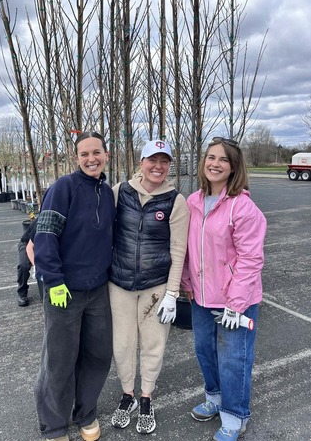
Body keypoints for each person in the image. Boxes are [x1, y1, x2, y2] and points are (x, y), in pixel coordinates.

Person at [181, 137, 267, 441]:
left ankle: (235, 415)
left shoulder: (242, 207)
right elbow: (189, 249)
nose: (215, 163)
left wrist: (236, 302)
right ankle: (215, 399)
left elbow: (251, 258)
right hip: (201, 297)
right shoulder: (193, 201)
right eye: (210, 157)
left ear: (233, 168)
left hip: (234, 302)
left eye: (223, 160)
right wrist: (187, 281)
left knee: (234, 359)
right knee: (205, 350)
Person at [34, 132, 115, 441]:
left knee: (97, 354)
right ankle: (54, 424)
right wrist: (53, 280)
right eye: (84, 154)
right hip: (64, 292)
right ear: (76, 158)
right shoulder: (62, 189)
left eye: (96, 152)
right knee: (60, 359)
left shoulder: (106, 193)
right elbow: (45, 236)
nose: (91, 158)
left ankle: (85, 412)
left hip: (99, 291)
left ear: (106, 154)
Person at [109, 139, 189, 435]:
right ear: (140, 162)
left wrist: (172, 292)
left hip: (156, 286)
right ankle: (127, 394)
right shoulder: (121, 192)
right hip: (119, 283)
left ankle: (146, 397)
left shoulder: (175, 200)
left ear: (169, 165)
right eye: (152, 160)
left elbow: (179, 248)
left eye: (164, 161)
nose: (158, 166)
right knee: (123, 343)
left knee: (153, 343)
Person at [17, 218, 43, 306]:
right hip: (27, 244)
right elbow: (29, 247)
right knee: (23, 265)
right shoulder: (42, 222)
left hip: (41, 244)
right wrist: (35, 265)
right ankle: (22, 293)